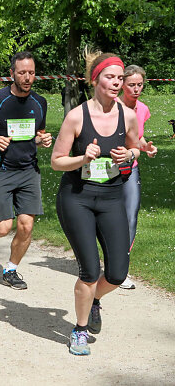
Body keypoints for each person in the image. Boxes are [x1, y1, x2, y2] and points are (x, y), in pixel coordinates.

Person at [51, 52, 140, 355]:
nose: (116, 83)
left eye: (119, 78)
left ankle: (94, 300)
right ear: (95, 80)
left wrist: (129, 155)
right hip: (77, 198)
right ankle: (79, 330)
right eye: (110, 77)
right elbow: (56, 161)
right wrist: (82, 158)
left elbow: (135, 148)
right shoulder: (77, 117)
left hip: (112, 197)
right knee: (89, 270)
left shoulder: (127, 116)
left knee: (116, 273)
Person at [0, 51, 52, 290]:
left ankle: (10, 269)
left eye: (31, 73)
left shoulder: (40, 102)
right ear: (12, 73)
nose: (27, 77)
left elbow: (35, 136)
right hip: (1, 169)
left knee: (26, 225)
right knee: (4, 227)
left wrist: (42, 140)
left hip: (29, 170)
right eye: (22, 72)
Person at [118, 65, 157, 290]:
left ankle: (121, 270)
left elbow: (137, 138)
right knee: (103, 217)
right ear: (122, 84)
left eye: (139, 85)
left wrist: (146, 147)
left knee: (131, 216)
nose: (136, 89)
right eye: (131, 84)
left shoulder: (142, 109)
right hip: (108, 170)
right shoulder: (112, 107)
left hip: (130, 167)